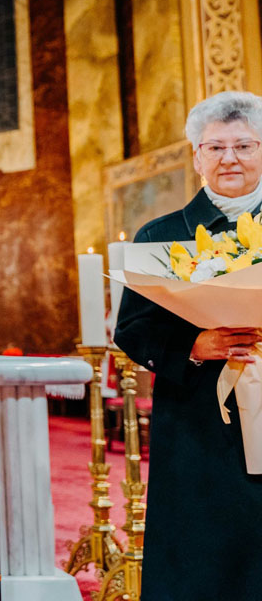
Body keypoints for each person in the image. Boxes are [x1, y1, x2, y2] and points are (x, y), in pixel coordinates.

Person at [114, 90, 262, 601]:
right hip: (198, 424)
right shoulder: (162, 235)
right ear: (197, 157)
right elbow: (132, 330)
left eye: (244, 145)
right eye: (215, 147)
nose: (230, 158)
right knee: (202, 553)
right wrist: (197, 343)